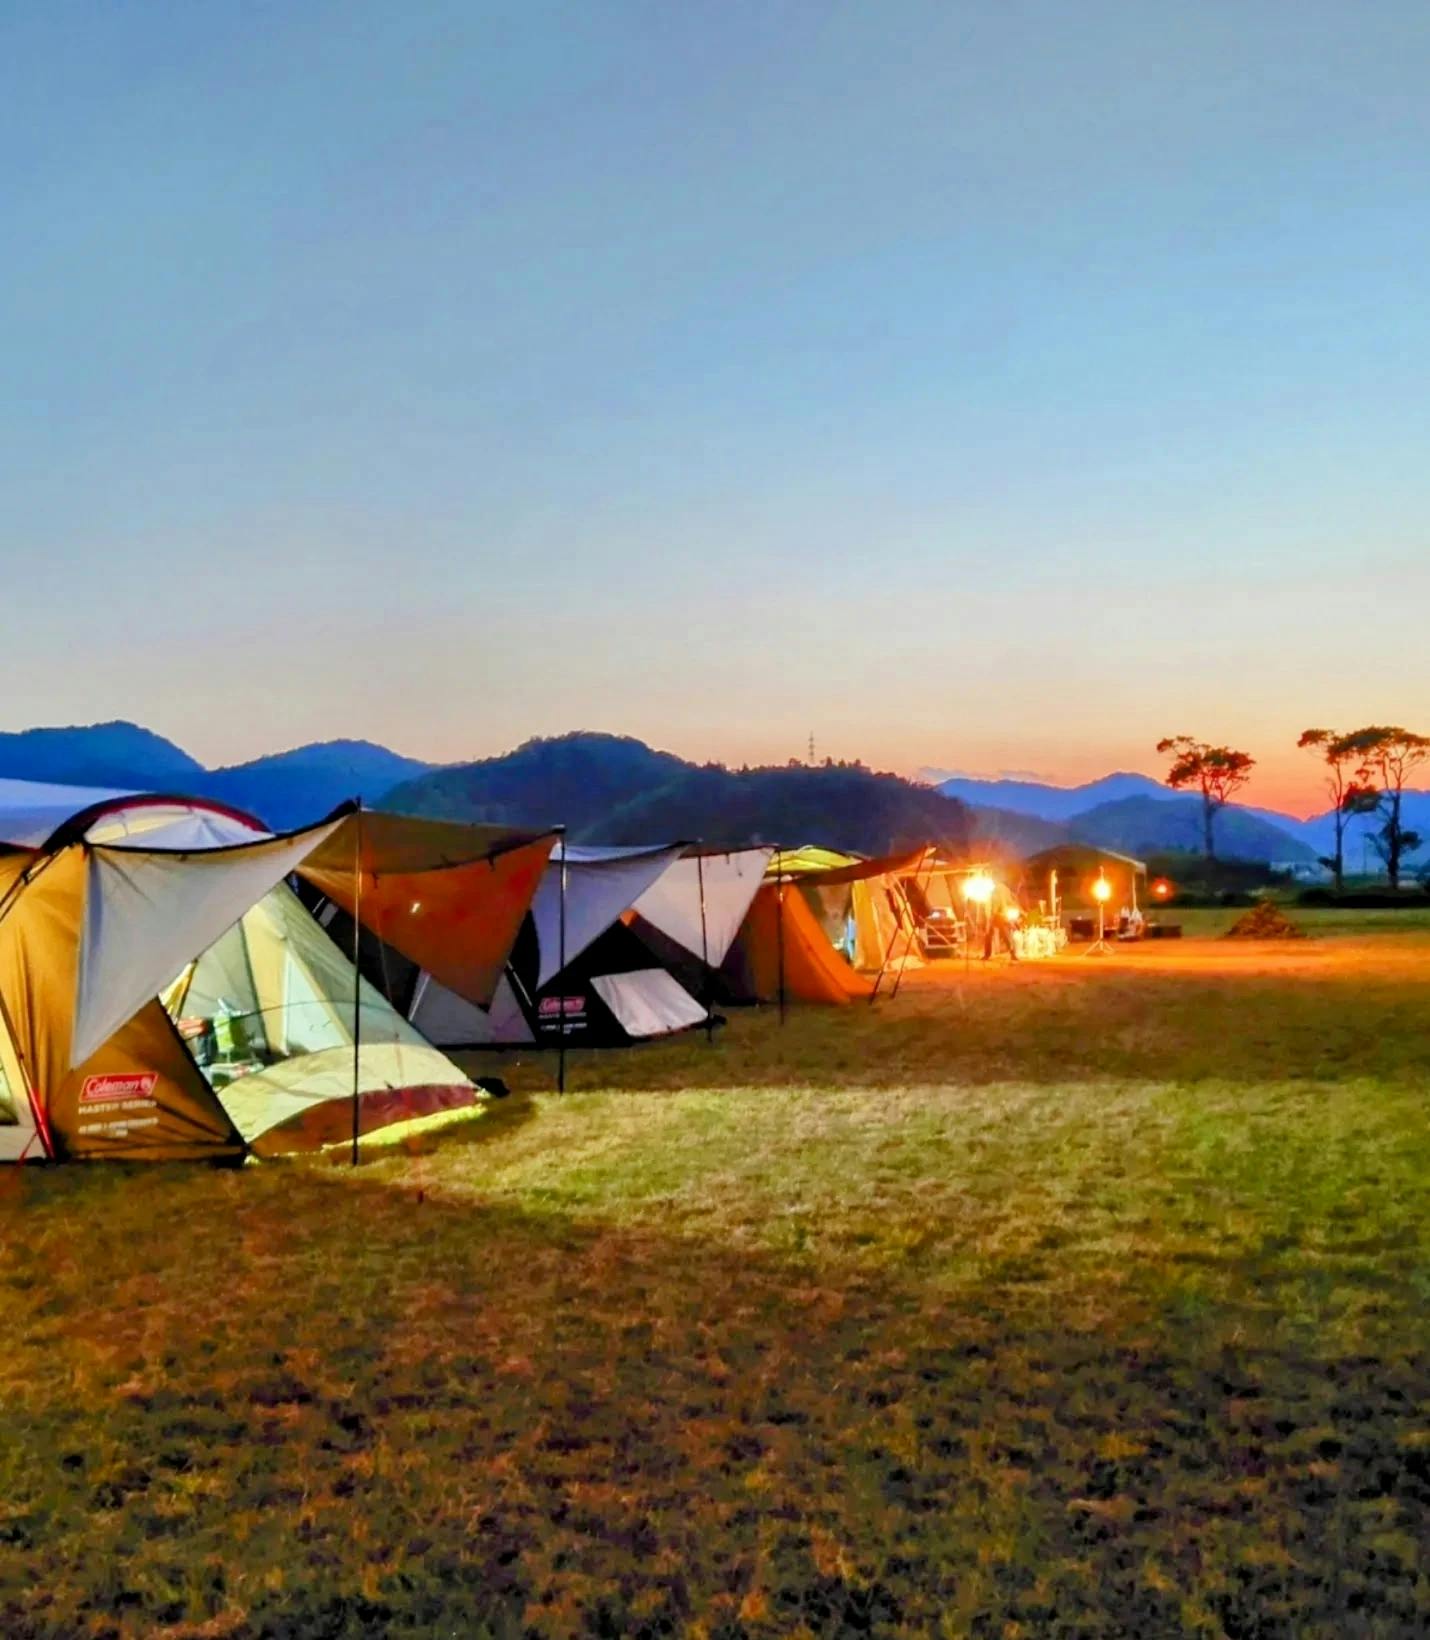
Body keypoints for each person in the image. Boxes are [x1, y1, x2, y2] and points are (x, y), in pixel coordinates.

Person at [982, 881, 1021, 962]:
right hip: (998, 914)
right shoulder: (1003, 889)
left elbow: (993, 905)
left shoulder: (999, 890)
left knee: (994, 934)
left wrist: (990, 918)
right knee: (1001, 934)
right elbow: (1010, 902)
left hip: (998, 915)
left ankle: (987, 954)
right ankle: (1012, 954)